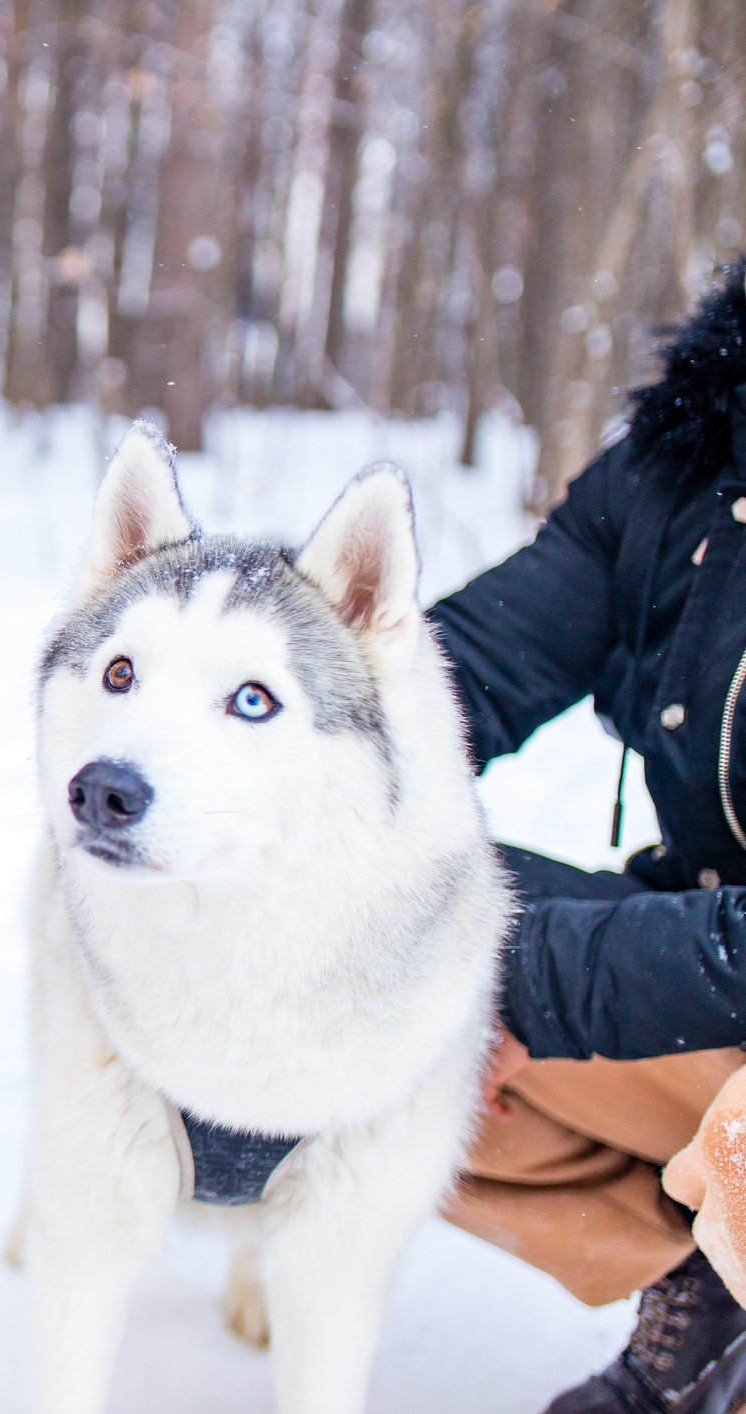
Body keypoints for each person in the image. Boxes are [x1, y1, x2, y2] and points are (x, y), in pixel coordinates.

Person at [429, 261, 746, 1414]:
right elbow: (459, 674)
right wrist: (269, 748)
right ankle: (710, 1297)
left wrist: (515, 976)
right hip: (701, 981)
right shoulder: (690, 460)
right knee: (344, 982)